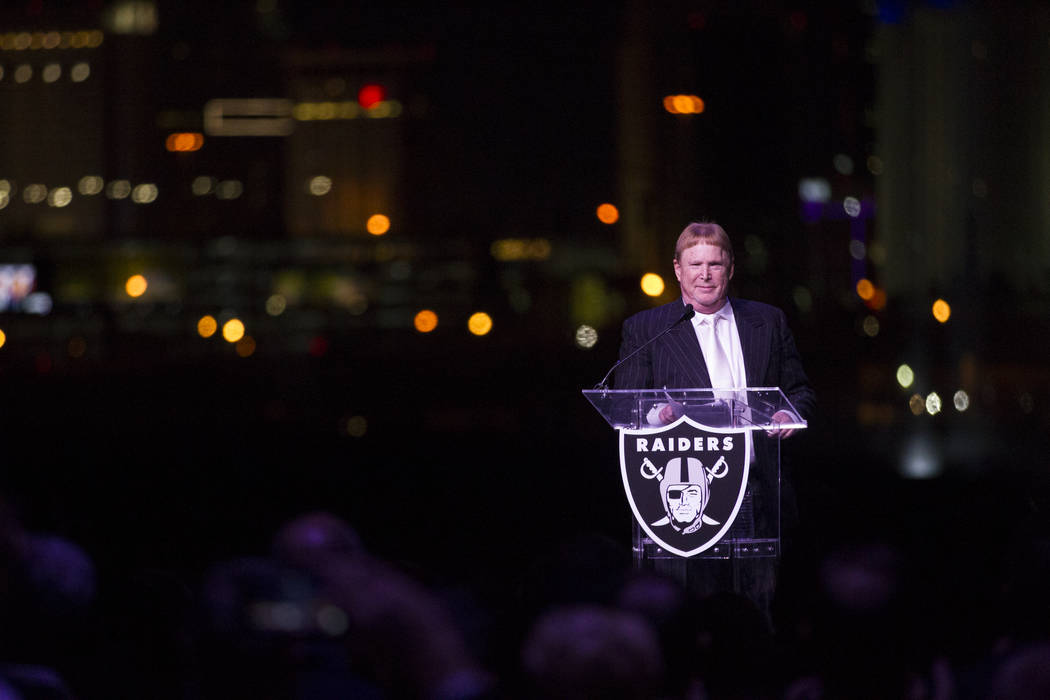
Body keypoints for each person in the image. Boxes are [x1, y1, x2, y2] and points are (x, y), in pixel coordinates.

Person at [613, 221, 816, 626]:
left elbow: (800, 391)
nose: (705, 275)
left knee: (759, 620)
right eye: (695, 265)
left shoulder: (768, 322)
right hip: (682, 504)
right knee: (690, 621)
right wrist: (658, 415)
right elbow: (626, 406)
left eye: (714, 264)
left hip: (759, 496)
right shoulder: (647, 329)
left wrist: (789, 413)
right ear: (678, 269)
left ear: (730, 268)